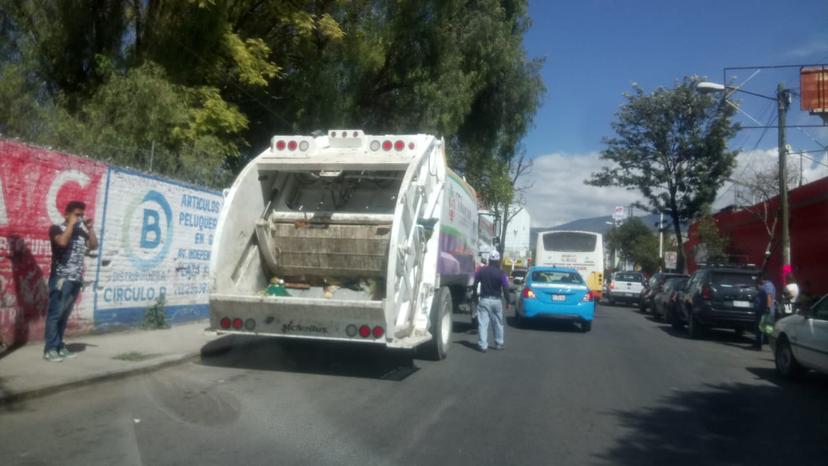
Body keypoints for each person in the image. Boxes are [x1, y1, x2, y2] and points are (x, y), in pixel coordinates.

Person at [43, 200, 98, 362]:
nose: (80, 218)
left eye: (81, 215)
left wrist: (89, 229)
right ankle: (50, 349)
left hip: (75, 280)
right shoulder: (56, 229)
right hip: (61, 280)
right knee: (55, 315)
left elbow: (94, 246)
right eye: (76, 215)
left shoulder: (82, 232)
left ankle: (59, 346)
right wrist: (72, 225)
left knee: (64, 316)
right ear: (67, 214)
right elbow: (62, 242)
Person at [473, 250, 511, 353]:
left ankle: (483, 345)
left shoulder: (481, 271)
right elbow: (506, 288)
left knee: (483, 323)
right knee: (498, 322)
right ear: (498, 260)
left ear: (489, 259)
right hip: (496, 301)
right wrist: (508, 301)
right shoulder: (501, 273)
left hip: (484, 300)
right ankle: (499, 343)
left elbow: (475, 284)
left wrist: (475, 297)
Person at [754, 275, 776, 350]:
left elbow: (769, 296)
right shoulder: (766, 285)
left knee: (763, 328)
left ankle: (759, 344)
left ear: (761, 278)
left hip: (764, 311)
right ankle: (760, 343)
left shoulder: (767, 285)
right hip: (763, 310)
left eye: (758, 278)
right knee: (765, 328)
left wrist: (768, 307)